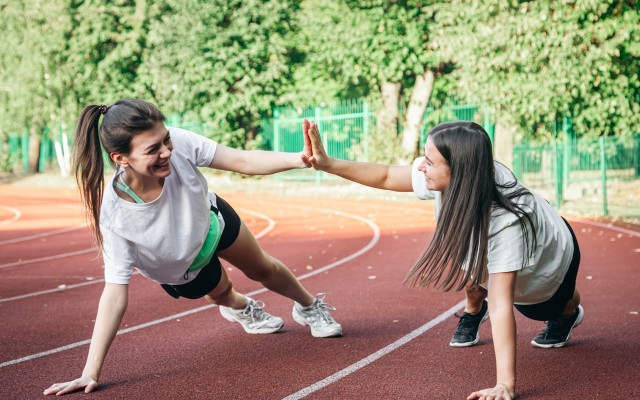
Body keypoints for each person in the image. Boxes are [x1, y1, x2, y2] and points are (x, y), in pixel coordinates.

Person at [44, 99, 342, 396]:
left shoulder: (178, 144)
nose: (166, 152)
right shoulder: (115, 215)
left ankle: (308, 306)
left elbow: (242, 161)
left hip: (210, 222)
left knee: (262, 266)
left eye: (166, 140)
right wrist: (89, 372)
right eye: (152, 150)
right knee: (223, 292)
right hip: (181, 265)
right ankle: (240, 308)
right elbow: (114, 293)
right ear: (121, 158)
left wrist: (297, 159)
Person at [303, 120, 583, 400]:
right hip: (492, 251)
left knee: (544, 308)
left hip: (552, 261)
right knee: (476, 281)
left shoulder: (506, 225)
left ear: (459, 170)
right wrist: (327, 163)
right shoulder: (461, 174)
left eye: (429, 161)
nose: (421, 166)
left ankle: (569, 311)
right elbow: (387, 175)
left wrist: (504, 385)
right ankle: (474, 311)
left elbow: (500, 306)